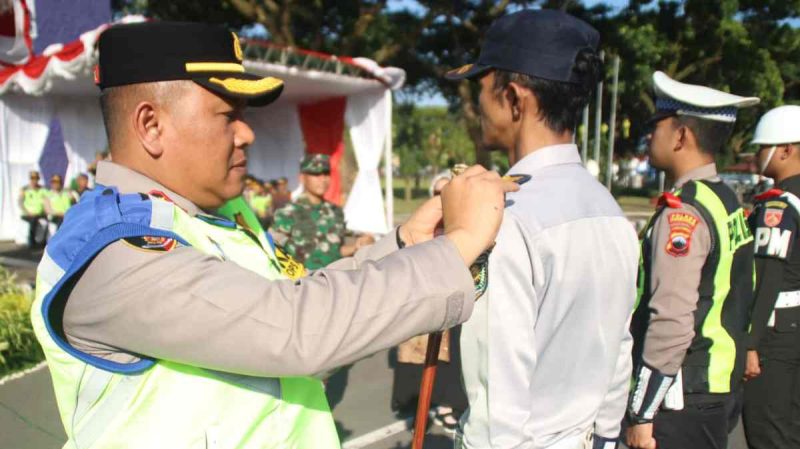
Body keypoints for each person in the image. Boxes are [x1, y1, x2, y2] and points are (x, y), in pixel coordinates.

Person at [30, 21, 518, 449]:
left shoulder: (209, 216)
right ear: (151, 126)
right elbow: (292, 327)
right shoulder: (118, 250)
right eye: (229, 115)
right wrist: (460, 243)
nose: (248, 134)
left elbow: (294, 293)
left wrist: (406, 243)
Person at [444, 10, 639, 449]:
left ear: (514, 99)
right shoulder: (611, 211)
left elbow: (497, 391)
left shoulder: (505, 218)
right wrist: (608, 436)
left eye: (481, 91)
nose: (477, 107)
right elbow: (619, 347)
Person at [626, 72, 758, 449]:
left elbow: (671, 317)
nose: (650, 136)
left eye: (657, 126)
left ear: (681, 135)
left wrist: (642, 412)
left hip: (678, 398)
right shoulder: (726, 200)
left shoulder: (683, 211)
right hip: (718, 386)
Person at [742, 105, 800, 449]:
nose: (758, 155)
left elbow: (766, 279)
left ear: (787, 149)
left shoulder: (776, 206)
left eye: (764, 147)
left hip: (774, 336)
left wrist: (751, 343)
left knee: (768, 434)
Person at [392, 171, 467, 431]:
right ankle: (418, 404)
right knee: (422, 356)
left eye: (448, 193)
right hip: (429, 297)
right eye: (438, 193)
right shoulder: (421, 225)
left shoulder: (465, 227)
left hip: (459, 301)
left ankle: (449, 403)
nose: (442, 199)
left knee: (455, 357)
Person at [272, 153, 373, 269]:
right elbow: (275, 252)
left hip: (333, 279)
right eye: (316, 174)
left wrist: (358, 246)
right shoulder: (286, 213)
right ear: (302, 177)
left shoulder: (335, 211)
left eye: (326, 173)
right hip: (303, 282)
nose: (322, 179)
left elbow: (334, 251)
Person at [18, 170, 47, 248]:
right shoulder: (24, 189)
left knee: (50, 220)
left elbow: (47, 201)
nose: (34, 180)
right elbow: (20, 204)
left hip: (40, 213)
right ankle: (31, 241)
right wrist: (28, 212)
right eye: (32, 178)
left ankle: (44, 241)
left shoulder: (42, 189)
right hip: (28, 214)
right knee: (33, 219)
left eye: (36, 178)